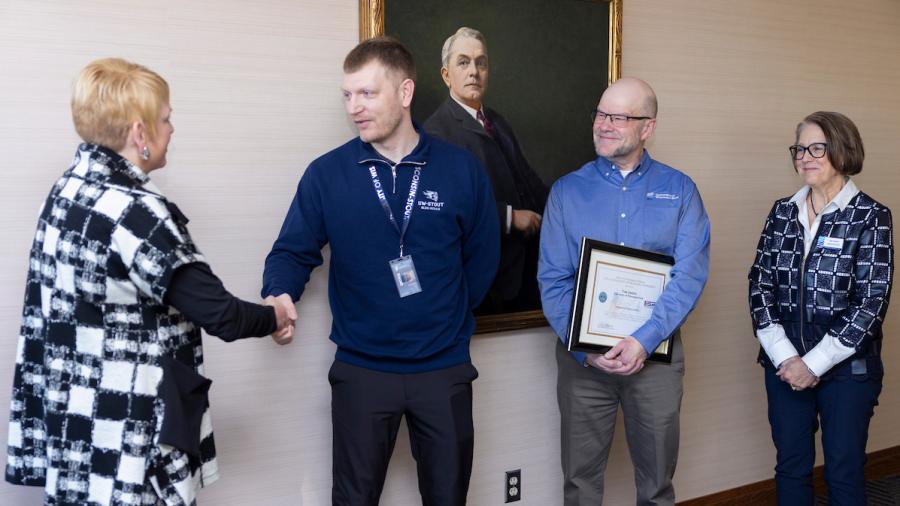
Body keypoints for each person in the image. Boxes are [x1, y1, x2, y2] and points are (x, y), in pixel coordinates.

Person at [4, 58, 294, 506]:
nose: (172, 128)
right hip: (128, 436)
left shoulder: (68, 190)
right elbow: (220, 314)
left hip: (76, 421)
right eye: (166, 119)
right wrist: (274, 315)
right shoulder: (135, 212)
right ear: (140, 134)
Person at [262, 37, 499, 505]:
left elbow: (484, 256)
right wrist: (278, 293)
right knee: (353, 499)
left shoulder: (461, 170)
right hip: (362, 369)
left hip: (443, 368)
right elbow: (291, 250)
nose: (354, 107)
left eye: (367, 93)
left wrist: (442, 314)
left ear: (405, 92)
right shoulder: (326, 174)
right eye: (347, 95)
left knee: (448, 497)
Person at [538, 77, 710, 505]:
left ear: (647, 127)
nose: (604, 125)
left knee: (656, 485)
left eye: (618, 117)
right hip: (584, 367)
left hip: (655, 364)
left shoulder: (681, 191)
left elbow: (688, 277)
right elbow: (553, 280)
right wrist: (585, 350)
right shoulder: (566, 191)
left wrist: (642, 341)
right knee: (579, 483)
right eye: (600, 114)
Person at [748, 111, 892, 505]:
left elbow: (870, 303)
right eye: (799, 149)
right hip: (783, 360)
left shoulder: (871, 217)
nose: (805, 157)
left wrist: (812, 365)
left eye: (817, 148)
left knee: (844, 472)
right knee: (791, 467)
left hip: (847, 368)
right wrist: (787, 358)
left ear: (843, 150)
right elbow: (759, 285)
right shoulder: (781, 212)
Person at [424, 27, 548, 314]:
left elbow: (528, 179)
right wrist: (509, 216)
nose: (474, 72)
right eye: (464, 62)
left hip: (528, 268)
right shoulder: (436, 132)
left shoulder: (497, 121)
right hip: (488, 278)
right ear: (446, 75)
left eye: (481, 62)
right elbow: (446, 206)